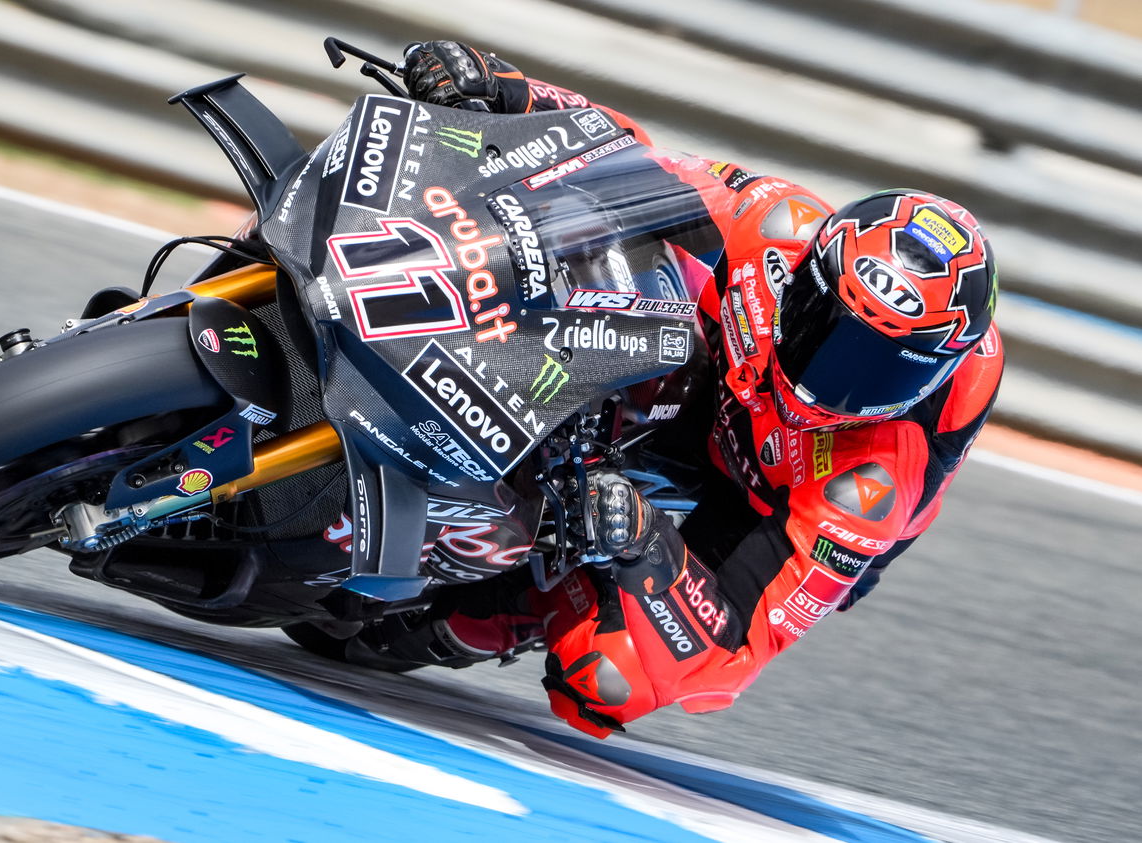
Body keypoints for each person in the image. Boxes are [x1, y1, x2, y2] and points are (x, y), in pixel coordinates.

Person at [360, 41, 1005, 737]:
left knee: (607, 678)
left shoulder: (872, 484)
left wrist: (644, 543)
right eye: (827, 327)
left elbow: (729, 657)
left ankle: (501, 607)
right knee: (608, 245)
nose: (832, 378)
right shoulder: (777, 226)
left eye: (881, 371)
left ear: (926, 380)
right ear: (808, 276)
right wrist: (501, 88)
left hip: (762, 499)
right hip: (716, 384)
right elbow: (617, 156)